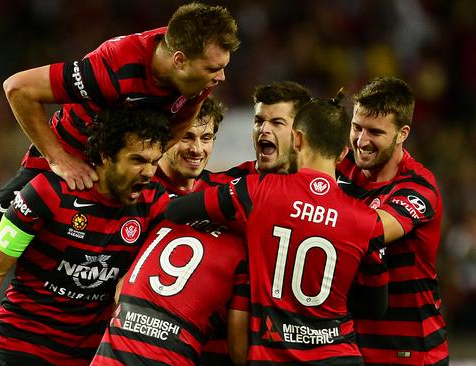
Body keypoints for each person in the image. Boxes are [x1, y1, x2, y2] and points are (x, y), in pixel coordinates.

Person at [0, 4, 240, 365]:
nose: (221, 77)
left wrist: (144, 171)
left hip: (117, 178)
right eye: (214, 68)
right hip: (61, 169)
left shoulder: (196, 80)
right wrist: (59, 159)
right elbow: (18, 88)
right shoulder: (113, 67)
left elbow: (176, 125)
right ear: (179, 60)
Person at [165, 95, 393, 365]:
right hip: (338, 356)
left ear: (296, 140)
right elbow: (376, 307)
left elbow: (175, 211)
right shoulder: (367, 220)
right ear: (344, 153)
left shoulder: (257, 191)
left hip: (273, 356)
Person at [0, 108, 172, 366]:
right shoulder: (46, 193)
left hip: (87, 355)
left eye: (154, 162)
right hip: (23, 346)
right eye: (138, 160)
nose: (149, 172)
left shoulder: (154, 202)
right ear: (106, 155)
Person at [90, 97, 249, 366]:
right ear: (169, 138)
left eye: (206, 138)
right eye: (187, 137)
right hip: (114, 339)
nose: (197, 149)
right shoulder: (135, 192)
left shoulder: (216, 194)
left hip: (187, 348)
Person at [196, 81, 311, 365]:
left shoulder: (322, 204)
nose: (264, 129)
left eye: (277, 122)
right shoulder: (221, 187)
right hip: (211, 351)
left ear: (300, 134)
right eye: (259, 120)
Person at [336, 76, 449, 365]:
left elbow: (372, 230)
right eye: (356, 127)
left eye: (375, 132)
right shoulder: (341, 168)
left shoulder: (419, 186)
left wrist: (313, 207)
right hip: (353, 346)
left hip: (411, 351)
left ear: (402, 133)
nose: (361, 141)